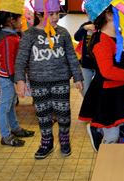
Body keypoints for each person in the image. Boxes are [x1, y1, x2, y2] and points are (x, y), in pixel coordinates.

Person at [14, 11, 83, 159]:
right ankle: (47, 141)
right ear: (39, 15)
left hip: (61, 80)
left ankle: (64, 138)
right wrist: (20, 80)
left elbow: (71, 56)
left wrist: (78, 77)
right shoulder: (29, 35)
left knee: (63, 113)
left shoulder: (63, 33)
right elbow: (20, 60)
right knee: (43, 115)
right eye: (51, 14)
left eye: (57, 13)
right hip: (38, 82)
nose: (56, 17)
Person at [79, 6, 124, 151]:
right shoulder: (102, 42)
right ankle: (106, 157)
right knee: (112, 136)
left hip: (121, 89)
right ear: (109, 15)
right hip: (107, 94)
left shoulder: (120, 36)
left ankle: (98, 129)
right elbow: (108, 71)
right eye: (120, 13)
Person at [0, 11, 35, 146]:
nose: (22, 21)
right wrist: (16, 80)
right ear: (11, 20)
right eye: (20, 19)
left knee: (11, 105)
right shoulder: (7, 39)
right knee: (4, 107)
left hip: (11, 77)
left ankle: (16, 129)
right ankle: (6, 136)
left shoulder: (12, 36)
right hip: (8, 78)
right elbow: (7, 62)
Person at [74, 20, 96, 96]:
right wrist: (84, 28)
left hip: (99, 65)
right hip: (86, 64)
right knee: (84, 89)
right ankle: (90, 104)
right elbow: (76, 37)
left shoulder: (105, 25)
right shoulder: (86, 25)